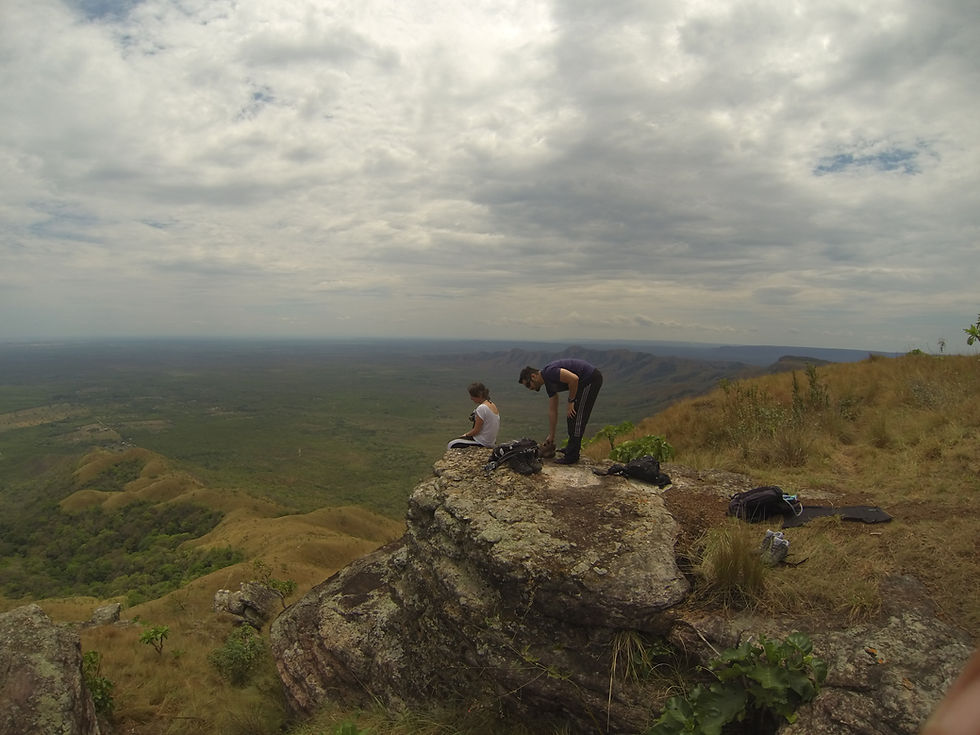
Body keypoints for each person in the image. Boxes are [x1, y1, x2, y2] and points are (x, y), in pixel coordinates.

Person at [519, 358, 603, 464]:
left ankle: (572, 456)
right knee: (572, 416)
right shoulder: (549, 384)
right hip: (583, 382)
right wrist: (551, 435)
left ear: (533, 376)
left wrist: (571, 401)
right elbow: (553, 411)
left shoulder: (549, 372)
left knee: (577, 418)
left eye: (528, 385)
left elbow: (574, 379)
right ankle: (571, 449)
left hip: (590, 379)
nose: (529, 388)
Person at [447, 382, 500, 449]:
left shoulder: (482, 408)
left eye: (472, 396)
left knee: (451, 444)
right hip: (491, 441)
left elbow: (476, 430)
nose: (471, 398)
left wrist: (465, 435)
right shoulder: (492, 404)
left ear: (479, 395)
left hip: (482, 442)